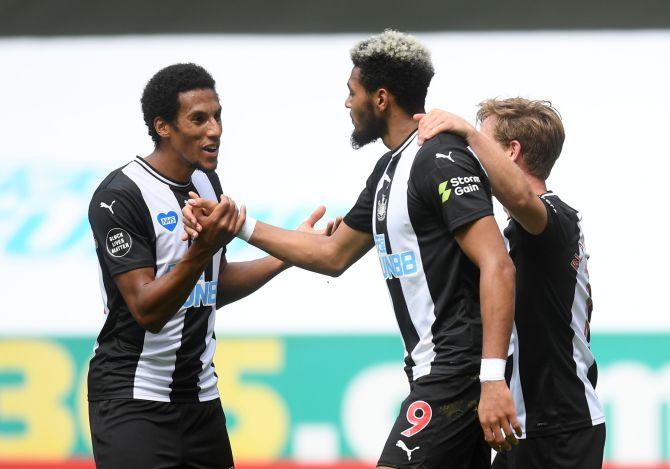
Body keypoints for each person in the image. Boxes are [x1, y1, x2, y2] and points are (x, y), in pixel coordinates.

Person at [183, 31, 520, 469]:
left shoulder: (439, 157)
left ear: (381, 98)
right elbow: (334, 254)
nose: (347, 103)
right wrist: (238, 222)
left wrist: (493, 379)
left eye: (352, 92)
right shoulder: (388, 169)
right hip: (432, 371)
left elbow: (499, 264)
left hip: (456, 372)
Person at [87, 63, 330, 468]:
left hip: (201, 399)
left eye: (217, 116)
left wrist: (291, 253)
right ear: (162, 126)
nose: (214, 130)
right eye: (198, 119)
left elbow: (214, 284)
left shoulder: (206, 183)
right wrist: (200, 251)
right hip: (133, 398)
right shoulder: (120, 196)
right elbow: (148, 309)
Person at [416, 98, 606, 468]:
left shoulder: (554, 218)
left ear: (511, 152)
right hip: (519, 424)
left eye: (480, 145)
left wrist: (465, 131)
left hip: (561, 428)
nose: (468, 156)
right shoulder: (516, 230)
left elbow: (519, 196)